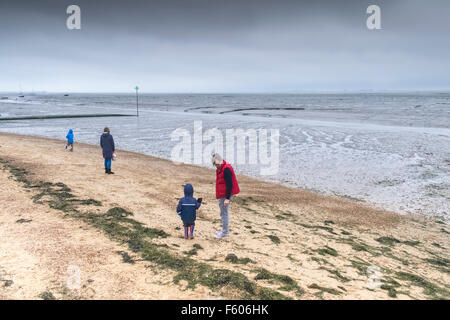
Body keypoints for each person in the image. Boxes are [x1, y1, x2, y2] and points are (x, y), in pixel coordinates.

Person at [211, 153, 240, 239]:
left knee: (224, 213)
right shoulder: (221, 168)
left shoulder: (226, 169)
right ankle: (224, 230)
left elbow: (230, 185)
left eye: (217, 164)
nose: (216, 166)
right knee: (223, 213)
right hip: (222, 194)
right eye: (215, 165)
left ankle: (224, 233)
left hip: (225, 195)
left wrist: (227, 198)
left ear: (220, 161)